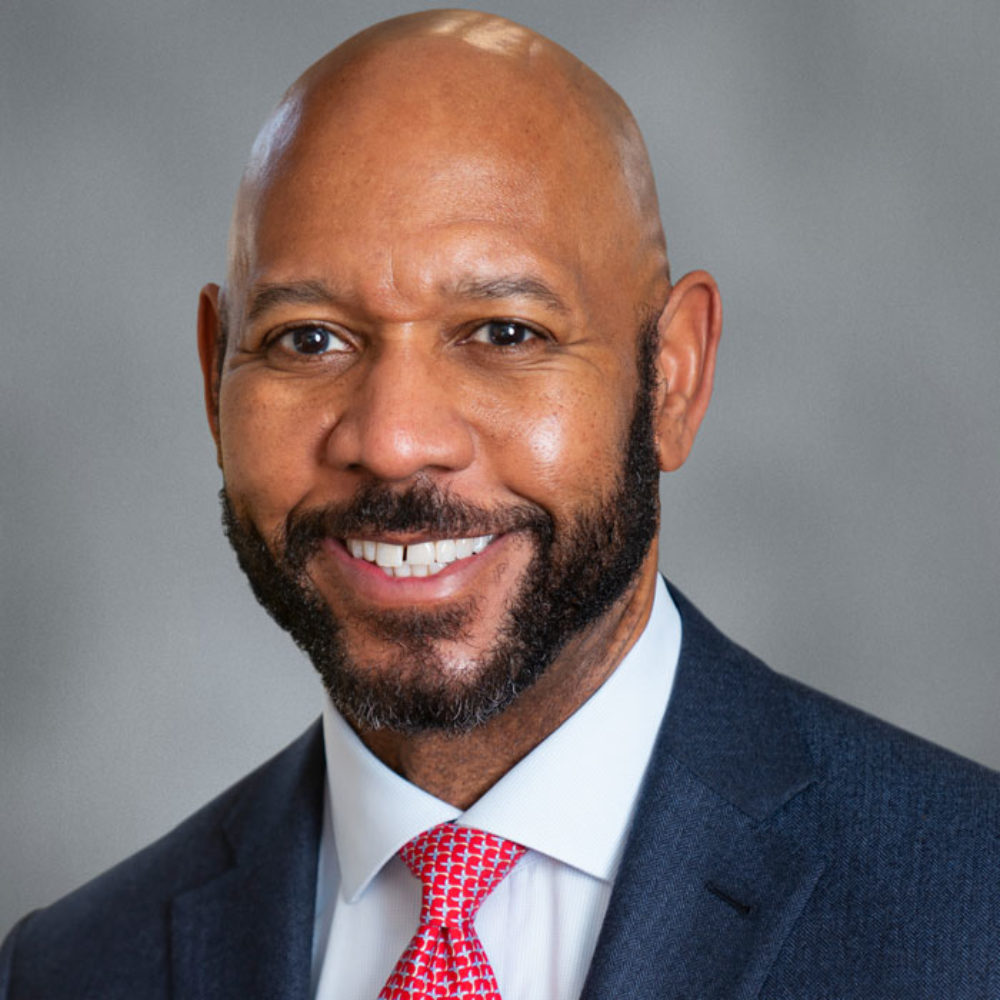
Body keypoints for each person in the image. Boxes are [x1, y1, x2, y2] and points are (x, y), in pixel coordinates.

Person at [2, 9, 998, 998]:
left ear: (674, 377)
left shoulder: (970, 912)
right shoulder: (69, 969)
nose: (392, 440)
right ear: (215, 375)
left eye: (504, 332)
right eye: (309, 339)